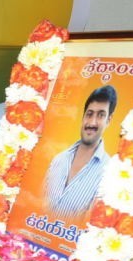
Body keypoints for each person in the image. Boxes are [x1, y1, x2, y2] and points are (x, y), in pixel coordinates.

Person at [43, 85, 118, 218]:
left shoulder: (109, 172)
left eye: (101, 115)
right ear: (83, 117)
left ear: (109, 121)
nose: (92, 123)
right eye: (89, 114)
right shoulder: (58, 159)